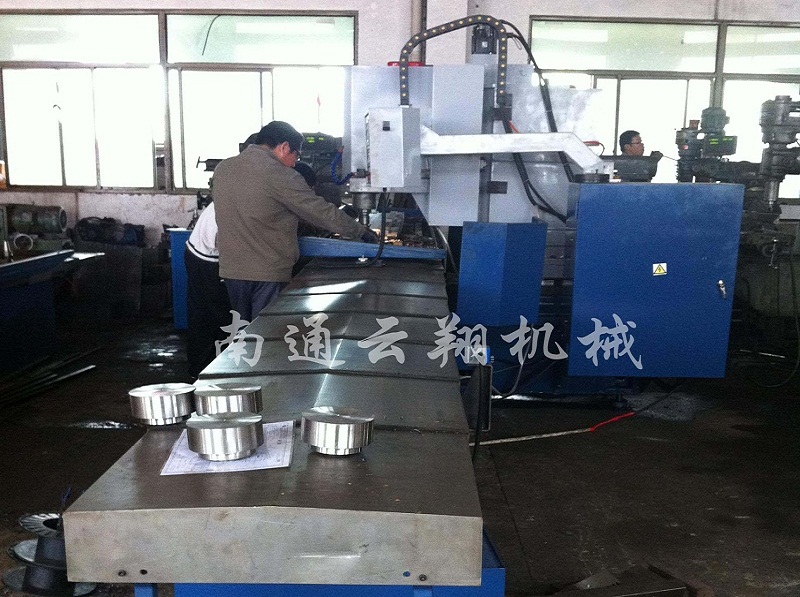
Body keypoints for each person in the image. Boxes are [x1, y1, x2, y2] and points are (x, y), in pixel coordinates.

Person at [213, 120, 379, 322]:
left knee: (242, 328)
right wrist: (360, 231)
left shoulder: (223, 168)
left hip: (231, 270)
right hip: (266, 272)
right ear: (284, 147)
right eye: (296, 155)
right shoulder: (280, 174)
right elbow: (320, 211)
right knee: (263, 331)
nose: (294, 163)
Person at [184, 201, 230, 379]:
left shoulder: (233, 193)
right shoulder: (236, 200)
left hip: (198, 253)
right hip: (207, 259)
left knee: (204, 314)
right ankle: (205, 372)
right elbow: (221, 241)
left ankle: (200, 370)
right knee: (218, 316)